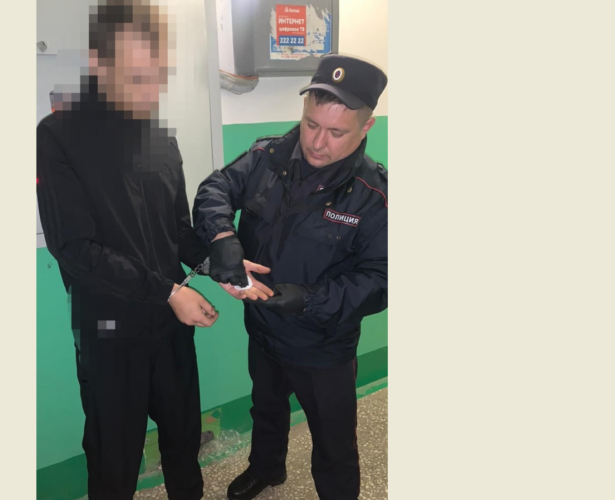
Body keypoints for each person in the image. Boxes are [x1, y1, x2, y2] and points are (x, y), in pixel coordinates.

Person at [37, 1, 271, 498]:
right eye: (136, 77)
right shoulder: (59, 136)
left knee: (183, 440)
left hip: (169, 326)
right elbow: (74, 247)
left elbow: (176, 230)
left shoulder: (159, 139)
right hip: (108, 329)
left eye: (157, 76)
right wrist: (169, 291)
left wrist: (221, 263)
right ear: (99, 63)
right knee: (114, 455)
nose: (149, 92)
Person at [194, 54, 389, 500]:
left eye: (336, 132)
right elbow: (215, 188)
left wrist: (308, 299)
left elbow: (380, 281)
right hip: (263, 327)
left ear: (366, 127)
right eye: (311, 124)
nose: (317, 142)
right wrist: (222, 236)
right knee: (266, 408)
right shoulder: (268, 155)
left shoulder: (373, 196)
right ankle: (267, 469)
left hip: (322, 345)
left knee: (334, 442)